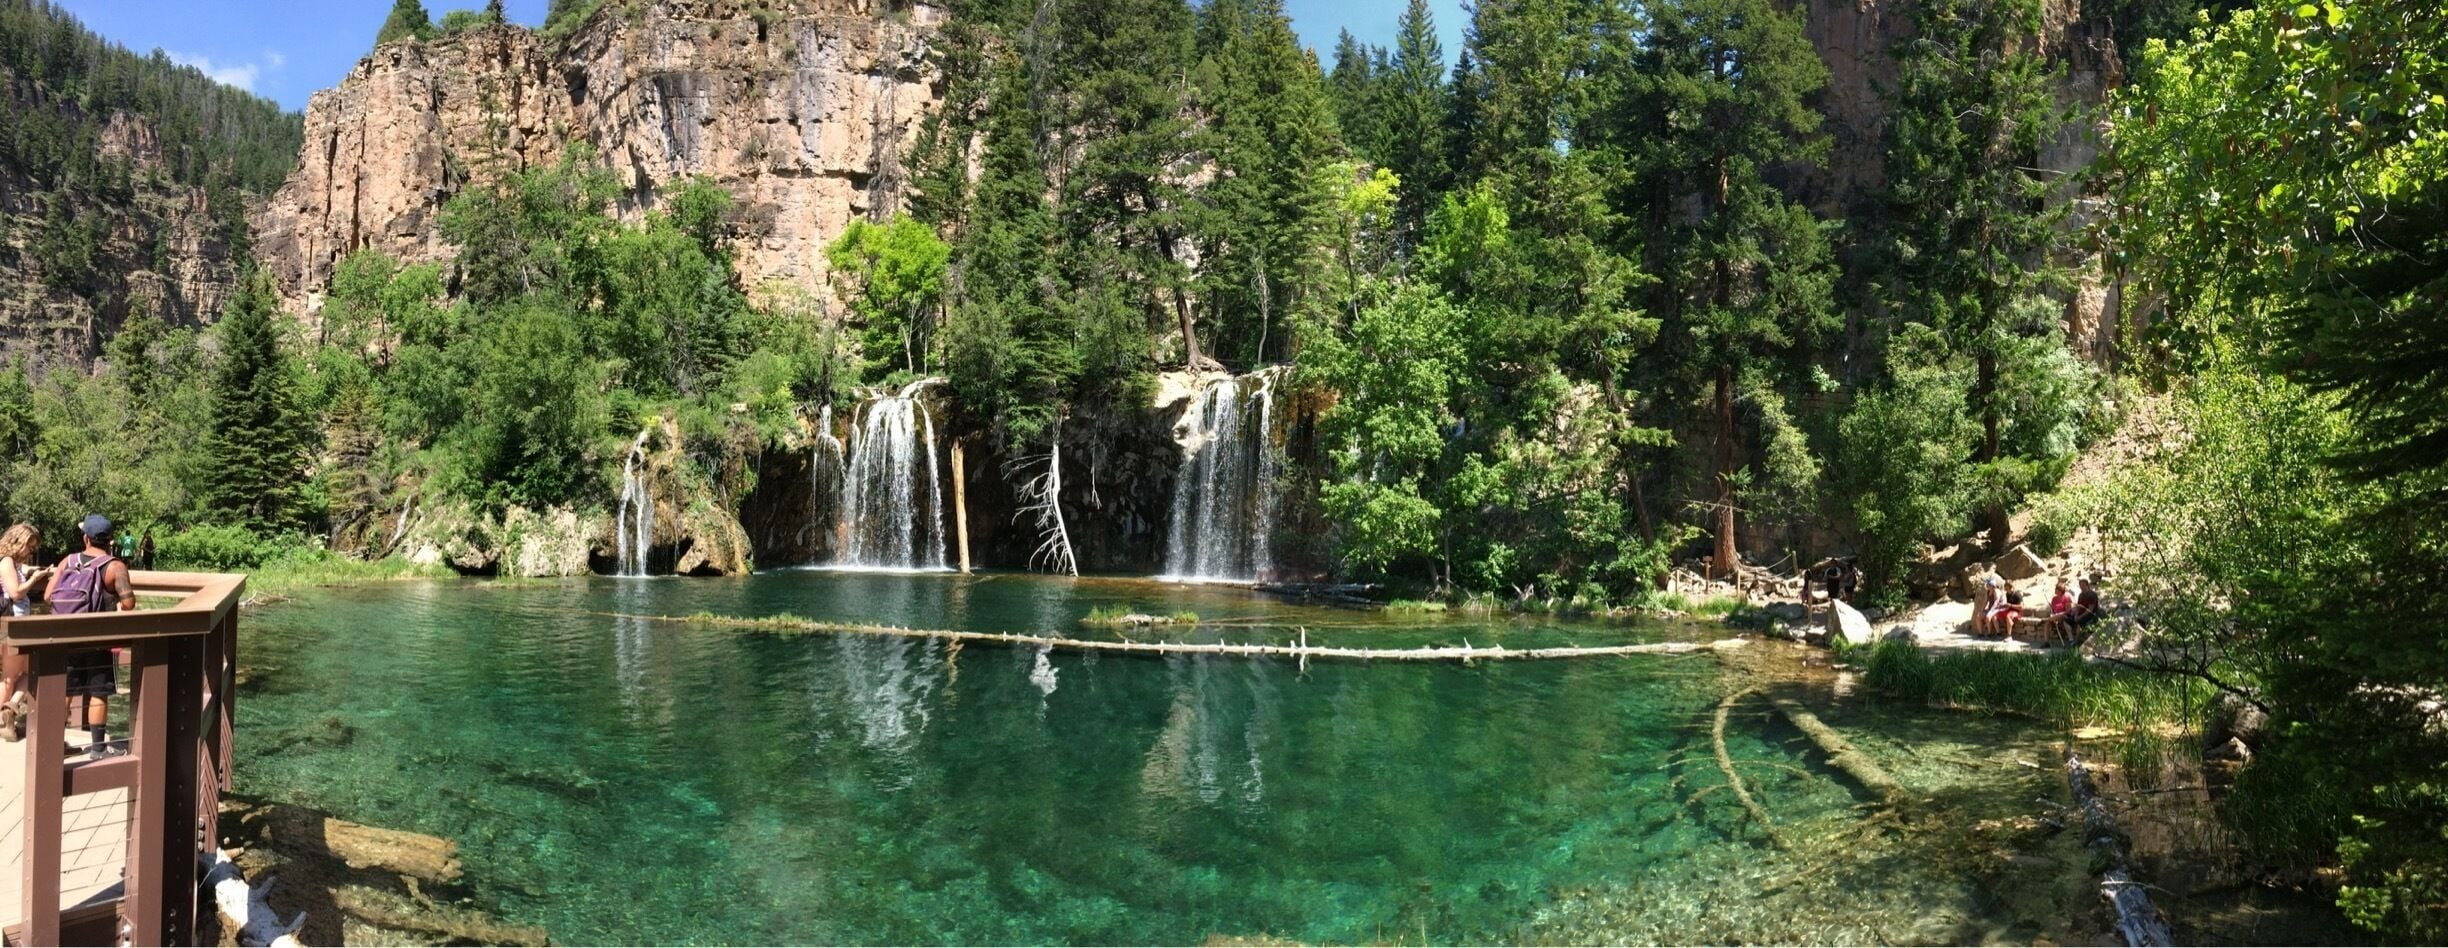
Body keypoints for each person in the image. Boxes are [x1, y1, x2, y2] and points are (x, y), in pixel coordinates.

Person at [46, 515, 135, 760]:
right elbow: (128, 603)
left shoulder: (68, 561)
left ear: (85, 537)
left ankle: (55, 745)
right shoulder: (115, 566)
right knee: (98, 692)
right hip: (99, 640)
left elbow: (47, 597)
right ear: (109, 540)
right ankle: (97, 749)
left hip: (66, 640)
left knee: (66, 691)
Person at [0, 524, 53, 741]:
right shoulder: (6, 562)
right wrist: (33, 581)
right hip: (14, 624)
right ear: (18, 542)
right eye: (29, 547)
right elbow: (14, 592)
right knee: (12, 677)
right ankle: (6, 715)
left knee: (28, 671)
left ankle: (9, 712)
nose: (30, 552)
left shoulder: (11, 562)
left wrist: (35, 571)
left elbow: (18, 574)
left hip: (12, 624)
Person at [2044, 580, 2076, 644]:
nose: (2055, 590)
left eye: (2056, 589)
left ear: (2060, 590)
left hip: (2066, 616)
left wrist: (2058, 615)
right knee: (2047, 623)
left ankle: (2071, 640)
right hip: (2056, 617)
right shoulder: (2054, 599)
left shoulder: (2066, 597)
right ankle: (2046, 642)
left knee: (2049, 619)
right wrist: (2053, 614)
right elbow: (2053, 610)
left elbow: (2068, 611)